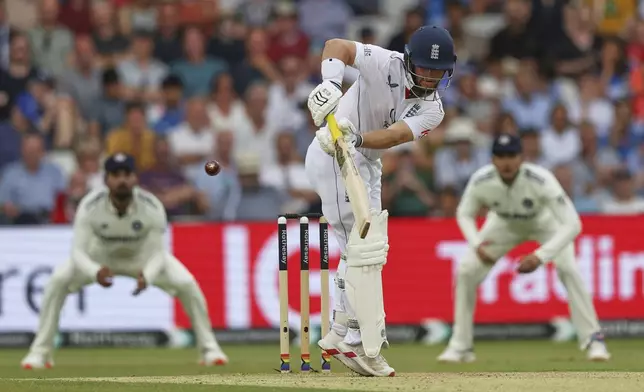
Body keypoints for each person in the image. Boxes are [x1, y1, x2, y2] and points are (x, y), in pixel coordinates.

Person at [305, 26, 455, 376]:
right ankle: (350, 338)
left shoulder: (433, 110)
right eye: (425, 68)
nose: (431, 77)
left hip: (362, 158)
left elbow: (392, 136)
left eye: (439, 71)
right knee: (361, 247)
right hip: (332, 155)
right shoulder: (383, 62)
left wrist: (355, 137)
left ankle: (343, 333)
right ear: (408, 60)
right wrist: (331, 83)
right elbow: (336, 45)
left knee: (371, 249)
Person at [21, 153, 228, 369]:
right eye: (115, 174)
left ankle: (210, 349)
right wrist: (94, 272)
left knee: (186, 284)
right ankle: (40, 353)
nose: (122, 180)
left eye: (127, 174)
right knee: (57, 281)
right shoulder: (90, 205)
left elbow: (158, 252)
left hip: (141, 258)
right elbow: (78, 252)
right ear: (106, 180)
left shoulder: (151, 205)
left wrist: (148, 275)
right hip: (99, 258)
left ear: (135, 179)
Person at [437, 134, 611, 363]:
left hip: (544, 222)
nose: (506, 162)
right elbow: (464, 213)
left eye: (511, 156)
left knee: (568, 269)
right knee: (467, 270)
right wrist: (477, 243)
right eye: (501, 156)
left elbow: (573, 224)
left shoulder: (540, 179)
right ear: (492, 159)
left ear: (521, 158)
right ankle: (461, 346)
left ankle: (594, 340)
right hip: (503, 223)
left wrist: (540, 257)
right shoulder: (481, 180)